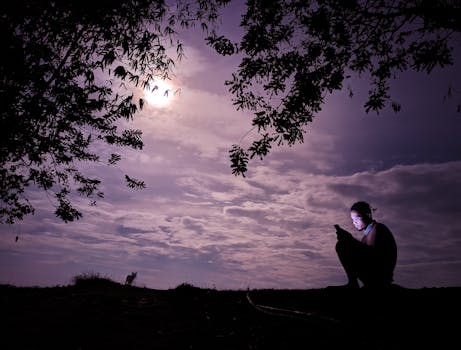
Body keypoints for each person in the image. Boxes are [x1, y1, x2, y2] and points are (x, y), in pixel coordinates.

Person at [333, 201, 397, 289]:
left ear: (368, 215)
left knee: (342, 244)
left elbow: (375, 257)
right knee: (344, 243)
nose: (354, 223)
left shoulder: (379, 229)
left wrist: (350, 240)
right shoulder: (365, 237)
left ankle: (353, 284)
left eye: (357, 219)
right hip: (370, 275)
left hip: (380, 275)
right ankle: (354, 282)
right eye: (352, 220)